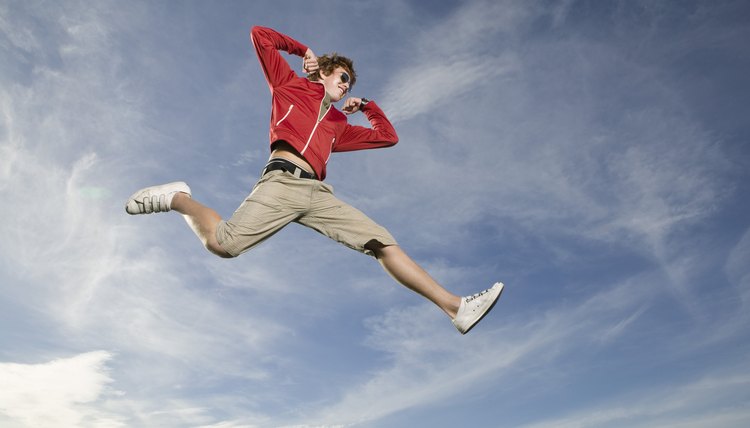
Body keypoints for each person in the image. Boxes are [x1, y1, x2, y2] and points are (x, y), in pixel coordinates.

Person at [125, 25, 503, 334]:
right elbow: (260, 35)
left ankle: (456, 308)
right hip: (280, 183)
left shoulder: (339, 126)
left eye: (351, 83)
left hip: (317, 193)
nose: (346, 85)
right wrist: (301, 48)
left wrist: (368, 107)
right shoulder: (288, 85)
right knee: (224, 245)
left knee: (380, 241)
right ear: (323, 71)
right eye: (342, 76)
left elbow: (388, 137)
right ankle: (176, 197)